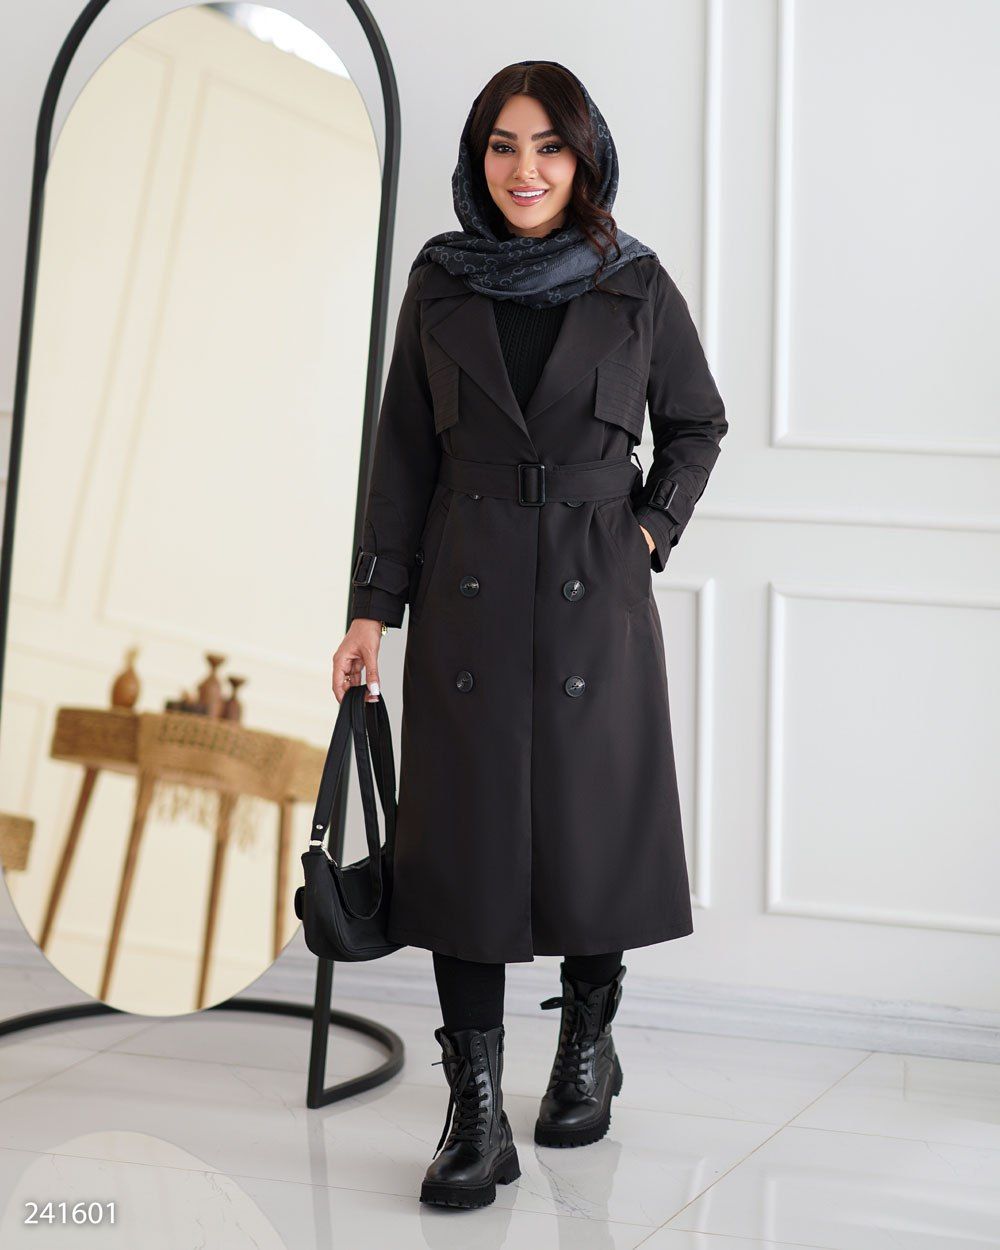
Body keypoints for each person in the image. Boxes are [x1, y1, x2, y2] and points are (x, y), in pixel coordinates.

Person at [332, 60, 728, 1209]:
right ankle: (474, 1112)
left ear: (584, 156)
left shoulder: (633, 281)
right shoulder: (441, 282)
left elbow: (695, 422)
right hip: (467, 594)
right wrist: (371, 609)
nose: (525, 169)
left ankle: (586, 1048)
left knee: (591, 826)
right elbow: (402, 455)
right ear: (478, 159)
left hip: (596, 595)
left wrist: (647, 532)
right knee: (461, 844)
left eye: (549, 145)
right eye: (503, 145)